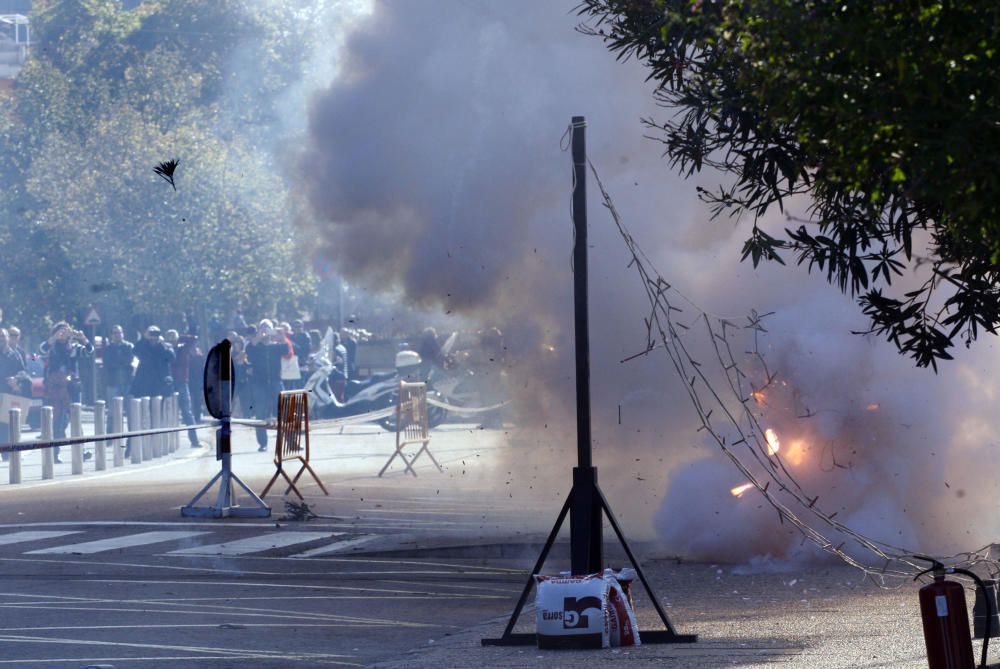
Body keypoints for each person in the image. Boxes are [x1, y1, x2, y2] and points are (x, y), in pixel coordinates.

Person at [39, 322, 93, 462]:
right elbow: (40, 351)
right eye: (60, 332)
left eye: (66, 332)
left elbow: (89, 351)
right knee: (57, 421)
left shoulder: (74, 347)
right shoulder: (51, 347)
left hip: (72, 387)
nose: (63, 335)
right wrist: (53, 338)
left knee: (76, 421)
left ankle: (81, 452)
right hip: (55, 387)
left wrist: (83, 339)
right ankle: (54, 453)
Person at [244, 320, 287, 452]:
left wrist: (281, 336)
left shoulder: (276, 346)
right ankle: (263, 443)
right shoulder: (254, 346)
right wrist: (259, 336)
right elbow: (249, 352)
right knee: (260, 414)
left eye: (268, 328)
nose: (266, 331)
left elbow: (287, 350)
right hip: (259, 383)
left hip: (275, 381)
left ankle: (288, 441)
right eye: (263, 328)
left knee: (283, 411)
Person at [164, 329, 201, 448]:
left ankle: (194, 440)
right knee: (166, 413)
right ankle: (165, 443)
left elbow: (194, 339)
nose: (172, 342)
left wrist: (179, 337)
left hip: (181, 383)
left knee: (187, 412)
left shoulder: (183, 349)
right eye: (169, 340)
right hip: (168, 384)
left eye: (173, 340)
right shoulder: (165, 350)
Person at [0, 328, 25, 458]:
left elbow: (23, 372)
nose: (2, 339)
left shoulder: (14, 354)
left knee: (5, 425)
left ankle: (5, 455)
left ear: (8, 338)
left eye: (3, 336)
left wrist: (16, 379)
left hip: (9, 393)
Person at [130, 326, 175, 399]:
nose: (154, 337)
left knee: (160, 407)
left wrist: (161, 344)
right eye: (151, 333)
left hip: (160, 384)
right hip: (145, 383)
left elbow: (171, 357)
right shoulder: (143, 346)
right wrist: (144, 338)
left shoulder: (166, 346)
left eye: (156, 334)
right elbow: (135, 351)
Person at [102, 325, 134, 408]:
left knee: (131, 410)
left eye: (119, 332)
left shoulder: (129, 346)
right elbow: (108, 363)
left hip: (128, 383)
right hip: (112, 383)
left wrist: (118, 361)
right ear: (111, 335)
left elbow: (130, 361)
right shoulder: (108, 348)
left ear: (123, 334)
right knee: (113, 410)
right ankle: (112, 422)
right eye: (115, 333)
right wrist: (121, 362)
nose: (117, 335)